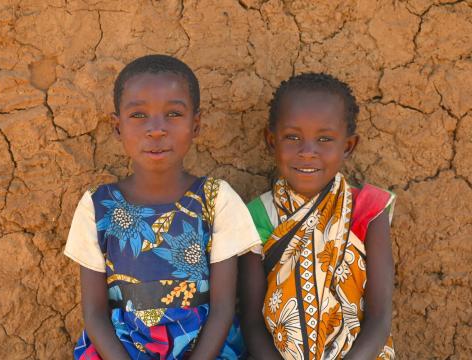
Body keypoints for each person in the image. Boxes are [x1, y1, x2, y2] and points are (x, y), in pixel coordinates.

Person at [64, 54, 261, 360]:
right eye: (139, 115)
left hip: (205, 349)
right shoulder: (96, 207)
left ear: (196, 125)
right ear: (117, 127)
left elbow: (222, 310)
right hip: (120, 349)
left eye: (173, 114)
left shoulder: (216, 199)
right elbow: (94, 315)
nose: (156, 129)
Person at [239, 73, 396, 360]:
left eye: (324, 139)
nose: (308, 152)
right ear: (271, 141)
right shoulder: (258, 215)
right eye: (293, 137)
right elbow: (251, 322)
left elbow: (380, 316)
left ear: (348, 146)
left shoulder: (368, 210)